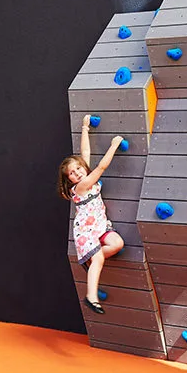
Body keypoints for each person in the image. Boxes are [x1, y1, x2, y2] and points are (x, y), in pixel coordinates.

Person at [60, 115, 126, 313]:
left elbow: (85, 152)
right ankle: (91, 296)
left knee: (117, 244)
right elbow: (102, 167)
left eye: (78, 168)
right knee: (98, 259)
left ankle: (91, 259)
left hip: (100, 226)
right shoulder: (81, 186)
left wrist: (85, 128)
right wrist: (114, 145)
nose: (77, 173)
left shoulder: (85, 175)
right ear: (70, 180)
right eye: (72, 173)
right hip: (87, 232)